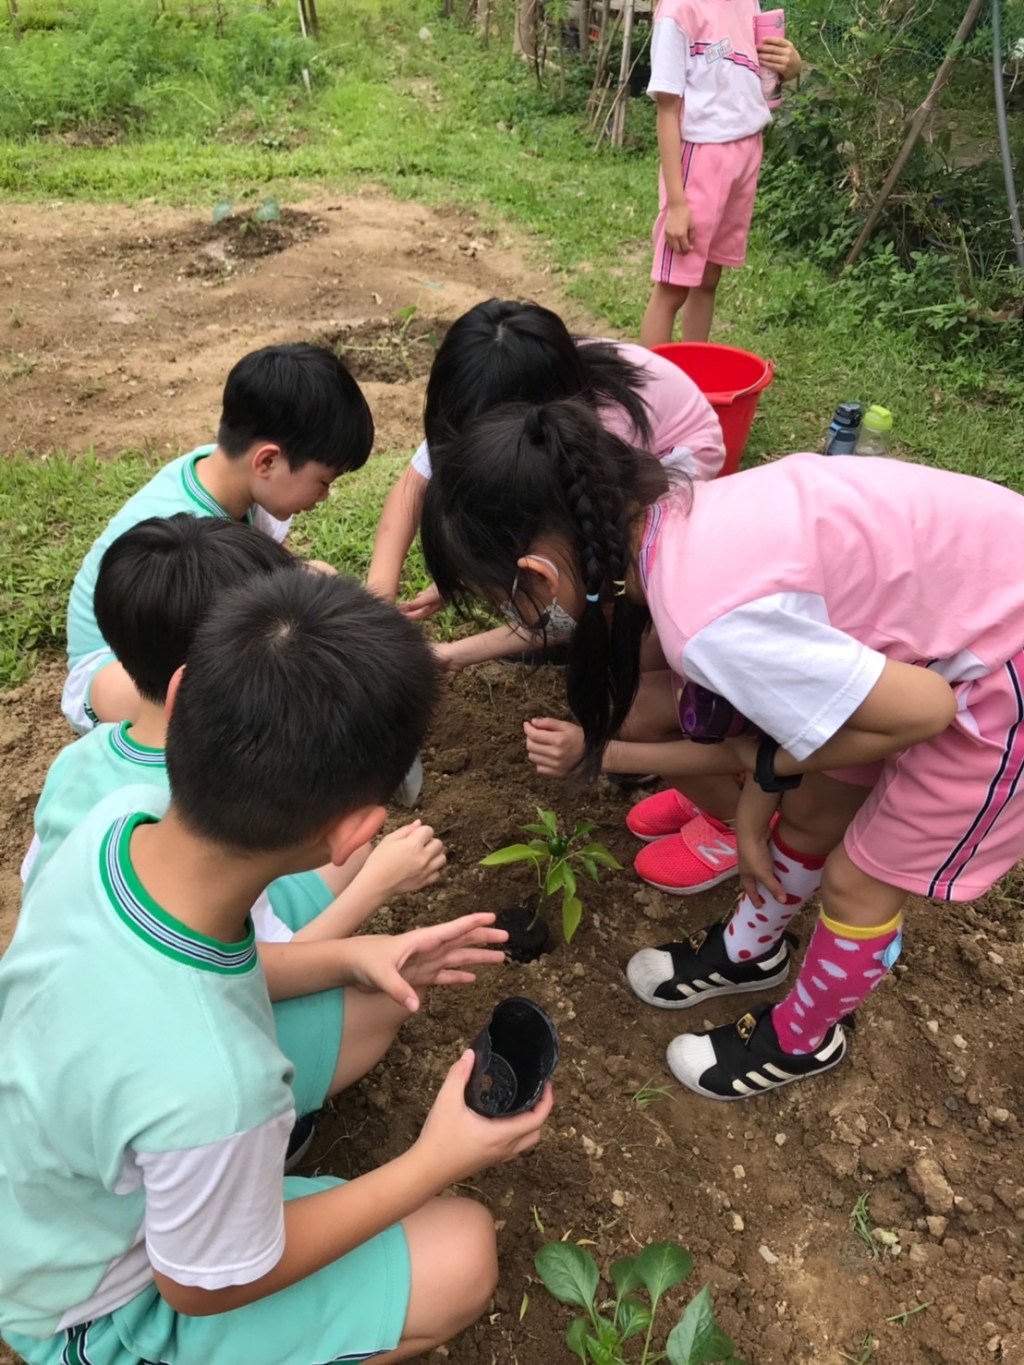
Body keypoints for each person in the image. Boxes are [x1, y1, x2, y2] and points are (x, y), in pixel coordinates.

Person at [0, 568, 553, 1365]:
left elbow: (186, 967)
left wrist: (352, 954)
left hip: (45, 1207)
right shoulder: (222, 1083)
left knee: (365, 1013)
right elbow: (201, 1287)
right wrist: (436, 1158)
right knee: (464, 1252)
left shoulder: (114, 825)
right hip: (85, 1309)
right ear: (355, 832)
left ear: (178, 697)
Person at [419, 397, 1024, 1100]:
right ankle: (751, 951)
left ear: (540, 576)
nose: (516, 618)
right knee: (813, 814)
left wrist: (767, 769)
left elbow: (926, 710)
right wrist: (756, 811)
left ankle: (802, 1038)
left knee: (858, 879)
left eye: (507, 603)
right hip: (944, 627)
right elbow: (795, 714)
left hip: (999, 672)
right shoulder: (682, 519)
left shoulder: (704, 622)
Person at [24, 516, 445, 955]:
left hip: (75, 943)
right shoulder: (213, 802)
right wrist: (376, 886)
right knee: (354, 857)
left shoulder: (80, 757)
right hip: (199, 958)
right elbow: (258, 969)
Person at [366, 297, 725, 667]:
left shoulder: (596, 439)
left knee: (612, 589)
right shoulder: (481, 393)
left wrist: (455, 653)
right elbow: (411, 488)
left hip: (679, 455)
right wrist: (376, 608)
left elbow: (584, 574)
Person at [62, 342, 374, 734]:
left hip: (173, 634)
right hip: (119, 669)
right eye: (324, 482)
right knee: (245, 684)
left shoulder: (228, 470)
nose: (325, 496)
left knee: (315, 584)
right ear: (267, 461)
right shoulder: (184, 531)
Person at [639, 0, 801, 347]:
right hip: (701, 159)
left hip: (745, 151)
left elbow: (756, 72)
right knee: (673, 288)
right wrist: (677, 204)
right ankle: (652, 382)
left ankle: (696, 372)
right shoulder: (679, 10)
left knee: (709, 277)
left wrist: (790, 66)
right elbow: (667, 111)